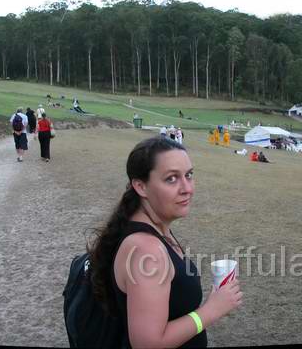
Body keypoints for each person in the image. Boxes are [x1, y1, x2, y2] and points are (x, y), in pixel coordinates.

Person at [86, 137, 240, 348]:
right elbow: (148, 343)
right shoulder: (146, 249)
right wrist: (211, 310)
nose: (187, 188)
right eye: (171, 179)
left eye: (189, 175)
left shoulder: (154, 228)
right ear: (140, 186)